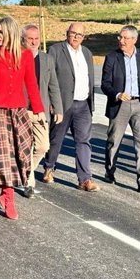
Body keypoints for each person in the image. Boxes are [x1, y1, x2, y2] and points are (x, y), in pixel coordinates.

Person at [0, 16, 45, 220]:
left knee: (23, 152)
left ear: (11, 33)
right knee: (4, 155)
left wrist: (38, 109)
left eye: (1, 32)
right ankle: (8, 196)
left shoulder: (26, 56)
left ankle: (12, 187)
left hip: (19, 110)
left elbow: (31, 84)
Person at [42, 23, 99, 192]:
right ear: (67, 33)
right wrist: (52, 103)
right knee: (56, 139)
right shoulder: (56, 50)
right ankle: (49, 168)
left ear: (83, 37)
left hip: (83, 105)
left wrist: (90, 103)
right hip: (63, 104)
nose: (75, 37)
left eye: (79, 35)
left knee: (83, 141)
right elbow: (49, 78)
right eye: (72, 33)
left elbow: (90, 79)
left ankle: (85, 179)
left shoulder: (87, 53)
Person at [101, 25, 140, 193]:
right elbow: (105, 84)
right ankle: (110, 171)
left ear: (134, 40)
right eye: (120, 37)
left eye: (125, 38)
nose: (121, 41)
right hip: (120, 105)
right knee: (114, 141)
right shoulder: (112, 57)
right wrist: (117, 94)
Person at [21, 24, 63, 198]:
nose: (33, 42)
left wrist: (58, 108)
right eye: (30, 38)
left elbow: (53, 85)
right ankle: (28, 183)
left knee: (42, 146)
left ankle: (25, 170)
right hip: (21, 110)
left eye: (36, 38)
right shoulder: (18, 57)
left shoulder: (47, 59)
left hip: (40, 111)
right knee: (25, 148)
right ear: (23, 39)